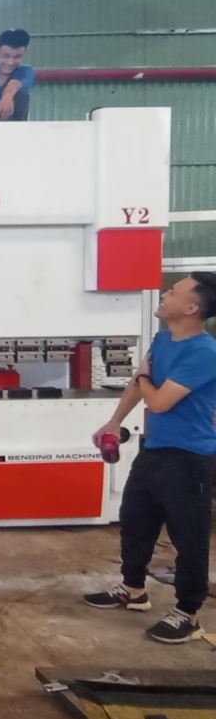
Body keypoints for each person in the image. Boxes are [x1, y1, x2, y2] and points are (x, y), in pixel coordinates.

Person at [84, 274, 216, 643]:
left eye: (173, 292)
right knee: (135, 520)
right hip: (155, 448)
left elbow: (158, 401)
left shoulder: (204, 353)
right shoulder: (163, 339)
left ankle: (187, 613)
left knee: (189, 537)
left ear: (191, 307)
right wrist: (114, 421)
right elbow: (138, 384)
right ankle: (133, 589)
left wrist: (143, 376)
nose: (164, 294)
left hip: (191, 458)